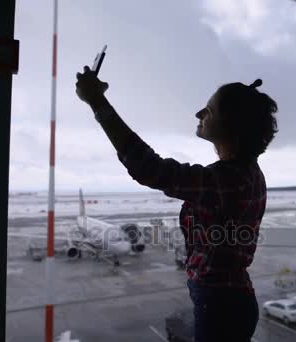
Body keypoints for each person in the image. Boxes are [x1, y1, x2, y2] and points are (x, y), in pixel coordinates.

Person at [76, 65, 278, 342]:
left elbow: (149, 167)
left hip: (221, 305)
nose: (199, 114)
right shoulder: (244, 174)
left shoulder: (229, 180)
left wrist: (98, 103)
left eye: (209, 110)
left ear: (231, 124)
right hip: (227, 300)